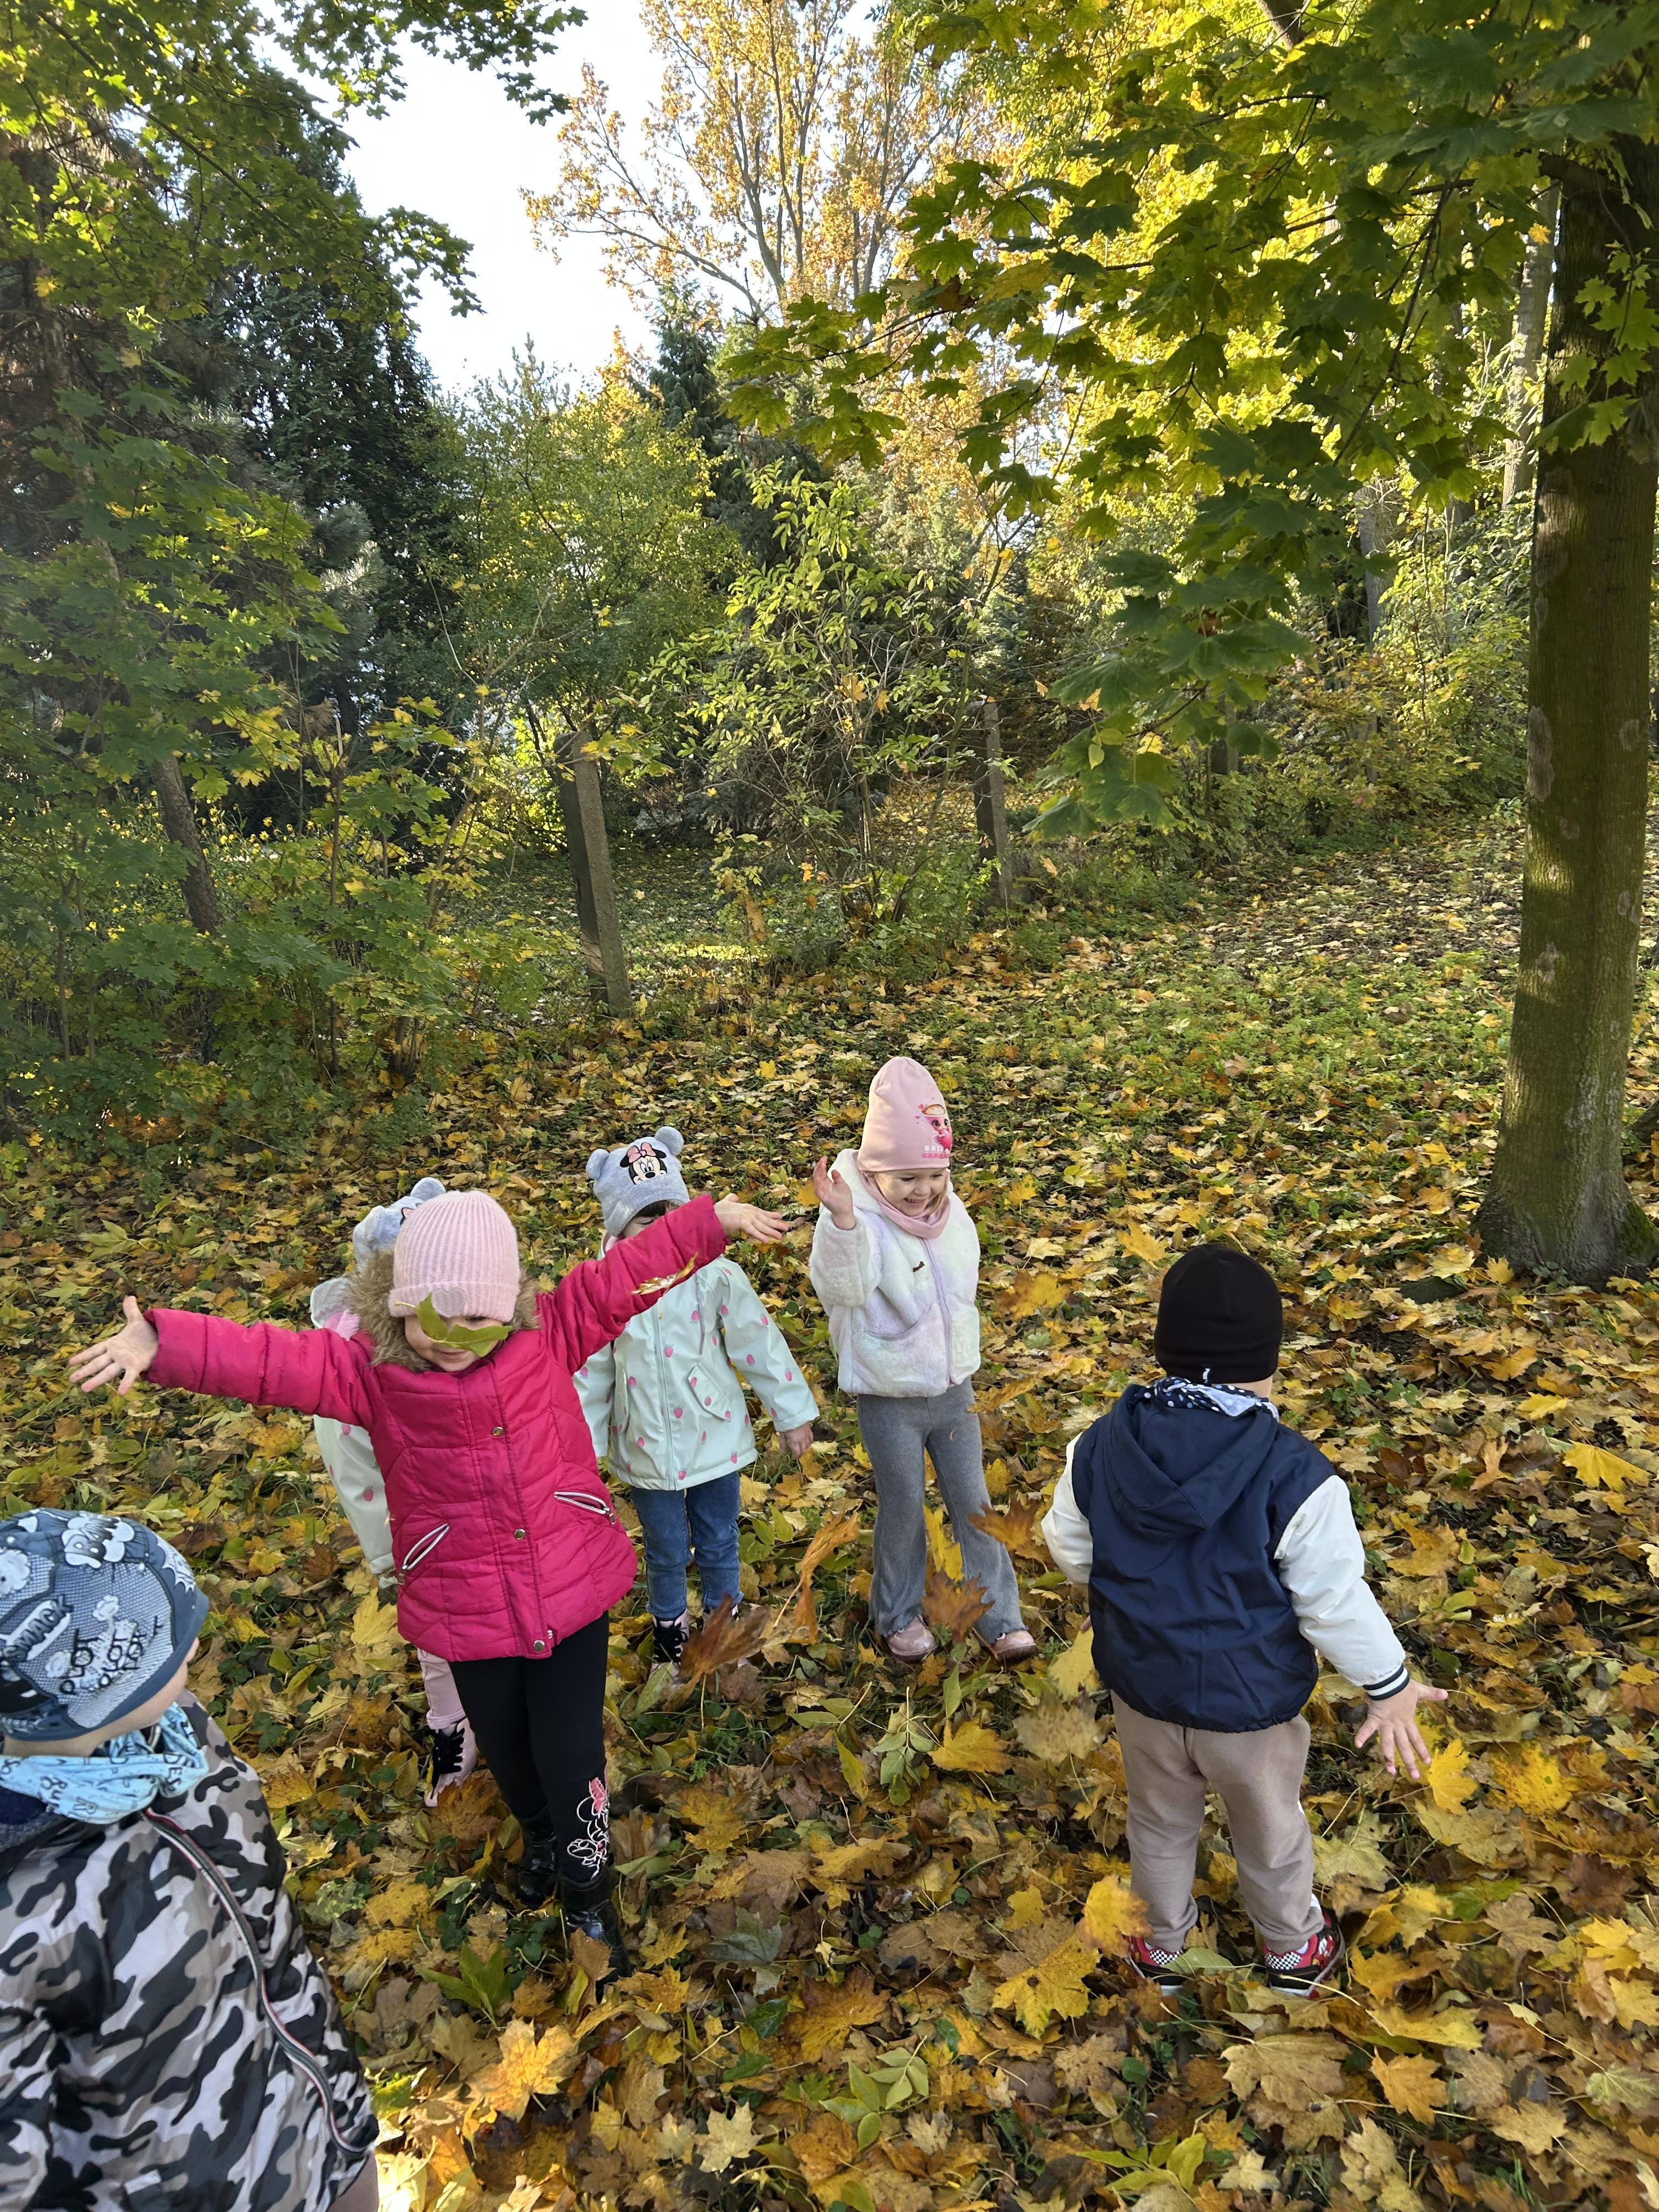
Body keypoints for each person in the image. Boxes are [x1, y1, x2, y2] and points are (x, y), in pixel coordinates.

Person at [70, 1181, 786, 1977]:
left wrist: (708, 1223)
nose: (453, 1338)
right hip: (464, 1605)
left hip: (569, 1589)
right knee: (509, 1750)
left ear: (508, 1307)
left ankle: (588, 1890)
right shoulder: (369, 1373)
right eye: (433, 1317)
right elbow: (267, 1361)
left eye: (478, 1319)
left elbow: (625, 1277)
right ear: (399, 1304)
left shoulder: (548, 1333)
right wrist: (162, 1343)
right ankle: (540, 1837)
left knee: (571, 1752)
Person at [1041, 1242, 1446, 1996]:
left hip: (1144, 1691)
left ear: (1166, 1348)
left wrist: (1124, 1590)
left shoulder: (1100, 1446)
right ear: (1267, 1361)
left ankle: (1160, 1948)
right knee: (1270, 1827)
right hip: (1250, 1707)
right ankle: (1291, 1949)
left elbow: (1067, 1544)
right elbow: (1333, 1600)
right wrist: (1389, 1687)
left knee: (1159, 1824)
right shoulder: (1296, 1475)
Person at [0, 1508, 379, 2212]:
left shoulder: (178, 1736)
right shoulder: (23, 1917)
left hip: (321, 2122)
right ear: (102, 1687)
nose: (196, 1640)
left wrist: (337, 2103)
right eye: (168, 1638)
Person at [810, 1056, 1035, 1664]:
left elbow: (959, 1288)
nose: (923, 1190)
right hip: (891, 1396)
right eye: (906, 1177)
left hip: (953, 1391)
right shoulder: (858, 1218)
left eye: (934, 1175)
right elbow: (842, 1288)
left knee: (974, 1502)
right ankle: (898, 1614)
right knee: (905, 1503)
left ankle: (999, 1615)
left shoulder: (951, 1214)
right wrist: (843, 1222)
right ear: (875, 1171)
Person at [577, 1127, 819, 1667]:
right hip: (644, 1442)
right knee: (664, 1547)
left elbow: (758, 1342)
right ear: (618, 1224)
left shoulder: (712, 1275)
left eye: (672, 1212)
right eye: (647, 1218)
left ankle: (722, 1625)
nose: (664, 1226)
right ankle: (670, 1630)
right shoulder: (606, 1290)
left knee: (718, 1537)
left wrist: (791, 1413)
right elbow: (593, 1374)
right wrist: (583, 1454)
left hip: (713, 1433)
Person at [308, 1176, 476, 1806]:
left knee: (498, 1625)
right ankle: (451, 1727)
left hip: (488, 1520)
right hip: (418, 1531)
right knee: (438, 1638)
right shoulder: (351, 1369)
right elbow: (353, 1467)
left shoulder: (479, 1334)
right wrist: (390, 1554)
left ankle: (510, 1708)